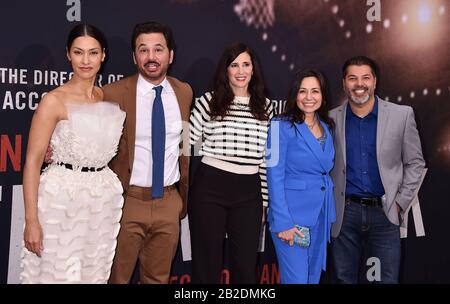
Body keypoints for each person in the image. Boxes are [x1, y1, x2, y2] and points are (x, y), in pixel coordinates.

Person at [21, 23, 126, 284]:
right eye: (78, 52)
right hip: (61, 203)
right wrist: (31, 221)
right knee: (56, 275)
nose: (86, 60)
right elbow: (33, 162)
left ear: (103, 55)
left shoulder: (105, 97)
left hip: (101, 205)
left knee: (92, 275)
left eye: (93, 52)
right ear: (68, 54)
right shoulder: (53, 101)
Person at [103, 21, 192, 284]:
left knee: (158, 279)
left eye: (158, 49)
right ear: (134, 56)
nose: (151, 57)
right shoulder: (113, 93)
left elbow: (185, 144)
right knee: (116, 278)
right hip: (127, 201)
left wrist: (179, 200)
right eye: (143, 50)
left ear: (170, 55)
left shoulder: (184, 92)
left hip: (168, 202)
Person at [330, 56, 425, 284]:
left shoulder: (402, 115)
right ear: (344, 83)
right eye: (352, 78)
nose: (359, 84)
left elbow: (415, 163)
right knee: (344, 280)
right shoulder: (330, 119)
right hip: (345, 215)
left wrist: (400, 203)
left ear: (374, 81)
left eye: (365, 78)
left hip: (385, 213)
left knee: (386, 280)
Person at [189, 42, 273, 284]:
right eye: (234, 65)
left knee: (246, 269)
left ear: (253, 69)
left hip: (249, 193)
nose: (240, 71)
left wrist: (264, 203)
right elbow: (186, 145)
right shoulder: (209, 101)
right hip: (209, 187)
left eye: (246, 64)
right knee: (206, 266)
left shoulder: (266, 107)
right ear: (225, 70)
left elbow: (269, 160)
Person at [266, 68, 336, 284]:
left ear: (322, 96)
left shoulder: (327, 127)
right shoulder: (279, 125)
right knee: (297, 280)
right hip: (293, 219)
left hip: (320, 216)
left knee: (312, 278)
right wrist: (283, 222)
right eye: (302, 91)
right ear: (294, 94)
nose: (308, 97)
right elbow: (273, 175)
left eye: (315, 91)